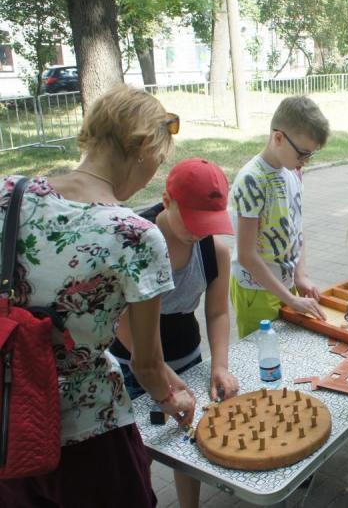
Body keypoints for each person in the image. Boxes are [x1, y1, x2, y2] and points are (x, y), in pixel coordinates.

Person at [0, 85, 196, 507]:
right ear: (143, 147)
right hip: (88, 432)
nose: (154, 175)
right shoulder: (135, 235)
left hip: (10, 419)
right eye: (157, 162)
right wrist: (170, 395)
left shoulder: (8, 194)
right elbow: (144, 363)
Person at [110, 158, 239, 508]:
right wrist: (164, 383)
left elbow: (216, 312)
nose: (199, 231)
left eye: (208, 223)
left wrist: (220, 366)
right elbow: (120, 322)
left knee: (190, 443)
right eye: (193, 220)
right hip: (132, 364)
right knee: (138, 454)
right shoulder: (133, 240)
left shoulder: (215, 251)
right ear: (167, 201)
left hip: (187, 359)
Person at [228, 96, 330, 338]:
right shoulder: (252, 180)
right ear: (278, 138)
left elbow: (296, 227)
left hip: (285, 287)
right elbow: (246, 255)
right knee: (263, 358)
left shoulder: (293, 171)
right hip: (256, 290)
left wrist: (300, 275)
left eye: (311, 155)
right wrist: (291, 300)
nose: (305, 161)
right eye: (303, 153)